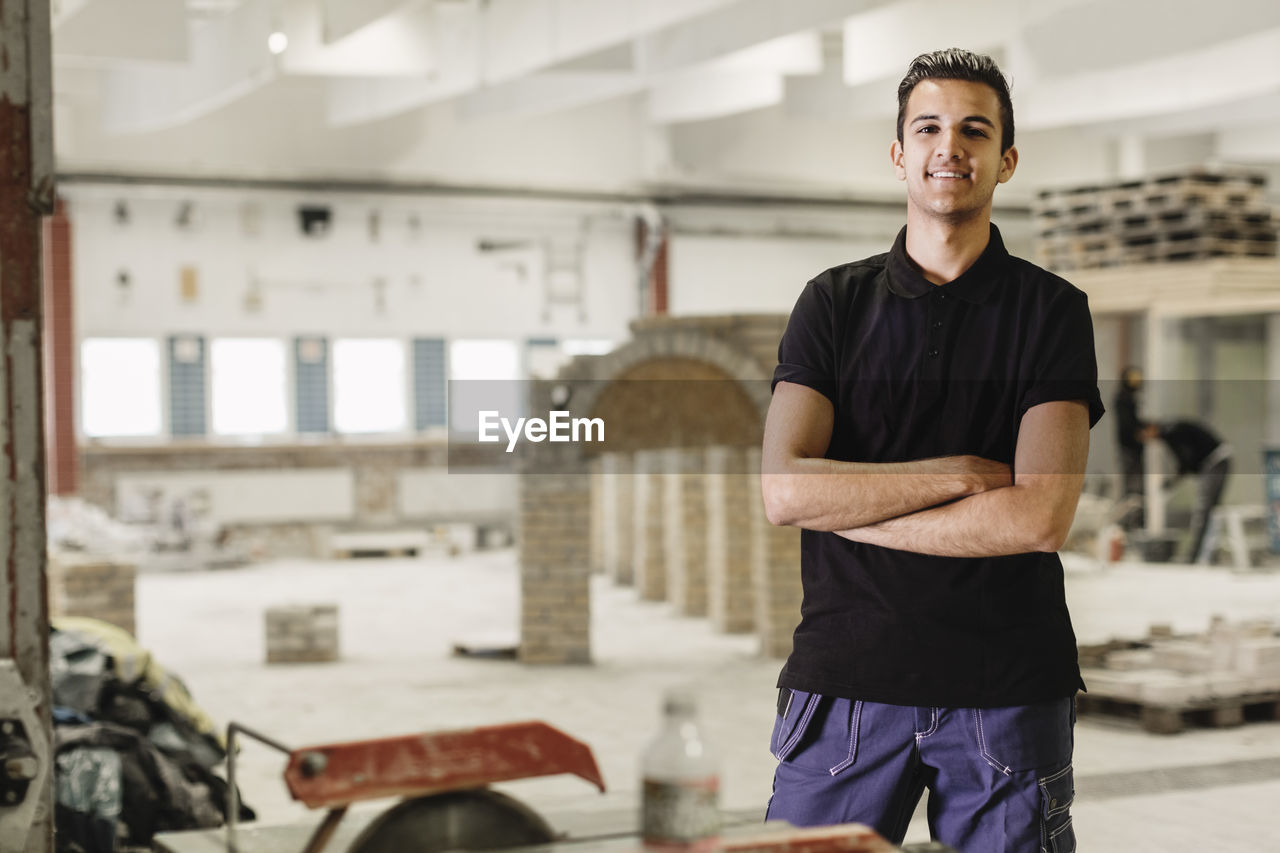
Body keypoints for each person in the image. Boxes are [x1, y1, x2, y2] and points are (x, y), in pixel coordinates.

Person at [760, 48, 1103, 853]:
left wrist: (849, 509)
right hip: (845, 686)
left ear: (1005, 160)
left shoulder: (1052, 313)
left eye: (975, 130)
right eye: (930, 127)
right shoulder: (832, 303)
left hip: (1006, 694)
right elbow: (784, 492)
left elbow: (1037, 517)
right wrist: (951, 475)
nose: (951, 145)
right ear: (900, 154)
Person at [1143, 419, 1231, 563]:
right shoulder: (1172, 431)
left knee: (1204, 509)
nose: (1146, 439)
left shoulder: (1171, 432)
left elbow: (1185, 460)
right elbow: (1185, 460)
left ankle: (1194, 556)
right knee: (1209, 510)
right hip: (1218, 460)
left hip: (1215, 462)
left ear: (1152, 428)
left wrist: (1172, 482)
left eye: (1145, 434)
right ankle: (1206, 555)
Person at [1114, 366, 1150, 526]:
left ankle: (1134, 524)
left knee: (1136, 489)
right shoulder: (1123, 399)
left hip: (1133, 449)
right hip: (1129, 449)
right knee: (1132, 489)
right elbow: (1127, 426)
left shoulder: (1130, 399)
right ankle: (1129, 525)